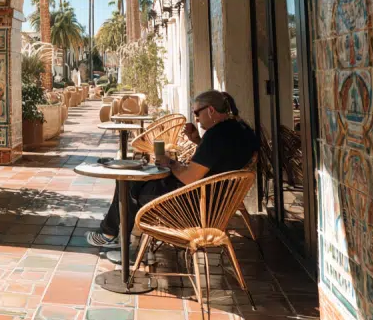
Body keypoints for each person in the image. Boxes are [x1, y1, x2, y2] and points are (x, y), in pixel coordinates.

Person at [86, 90, 259, 248]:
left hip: (191, 206)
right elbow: (222, 160)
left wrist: (169, 162)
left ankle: (110, 233)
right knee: (135, 182)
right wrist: (198, 141)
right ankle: (113, 232)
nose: (196, 119)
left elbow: (190, 178)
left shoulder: (216, 136)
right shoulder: (241, 130)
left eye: (197, 113)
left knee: (128, 183)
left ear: (211, 110)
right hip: (214, 202)